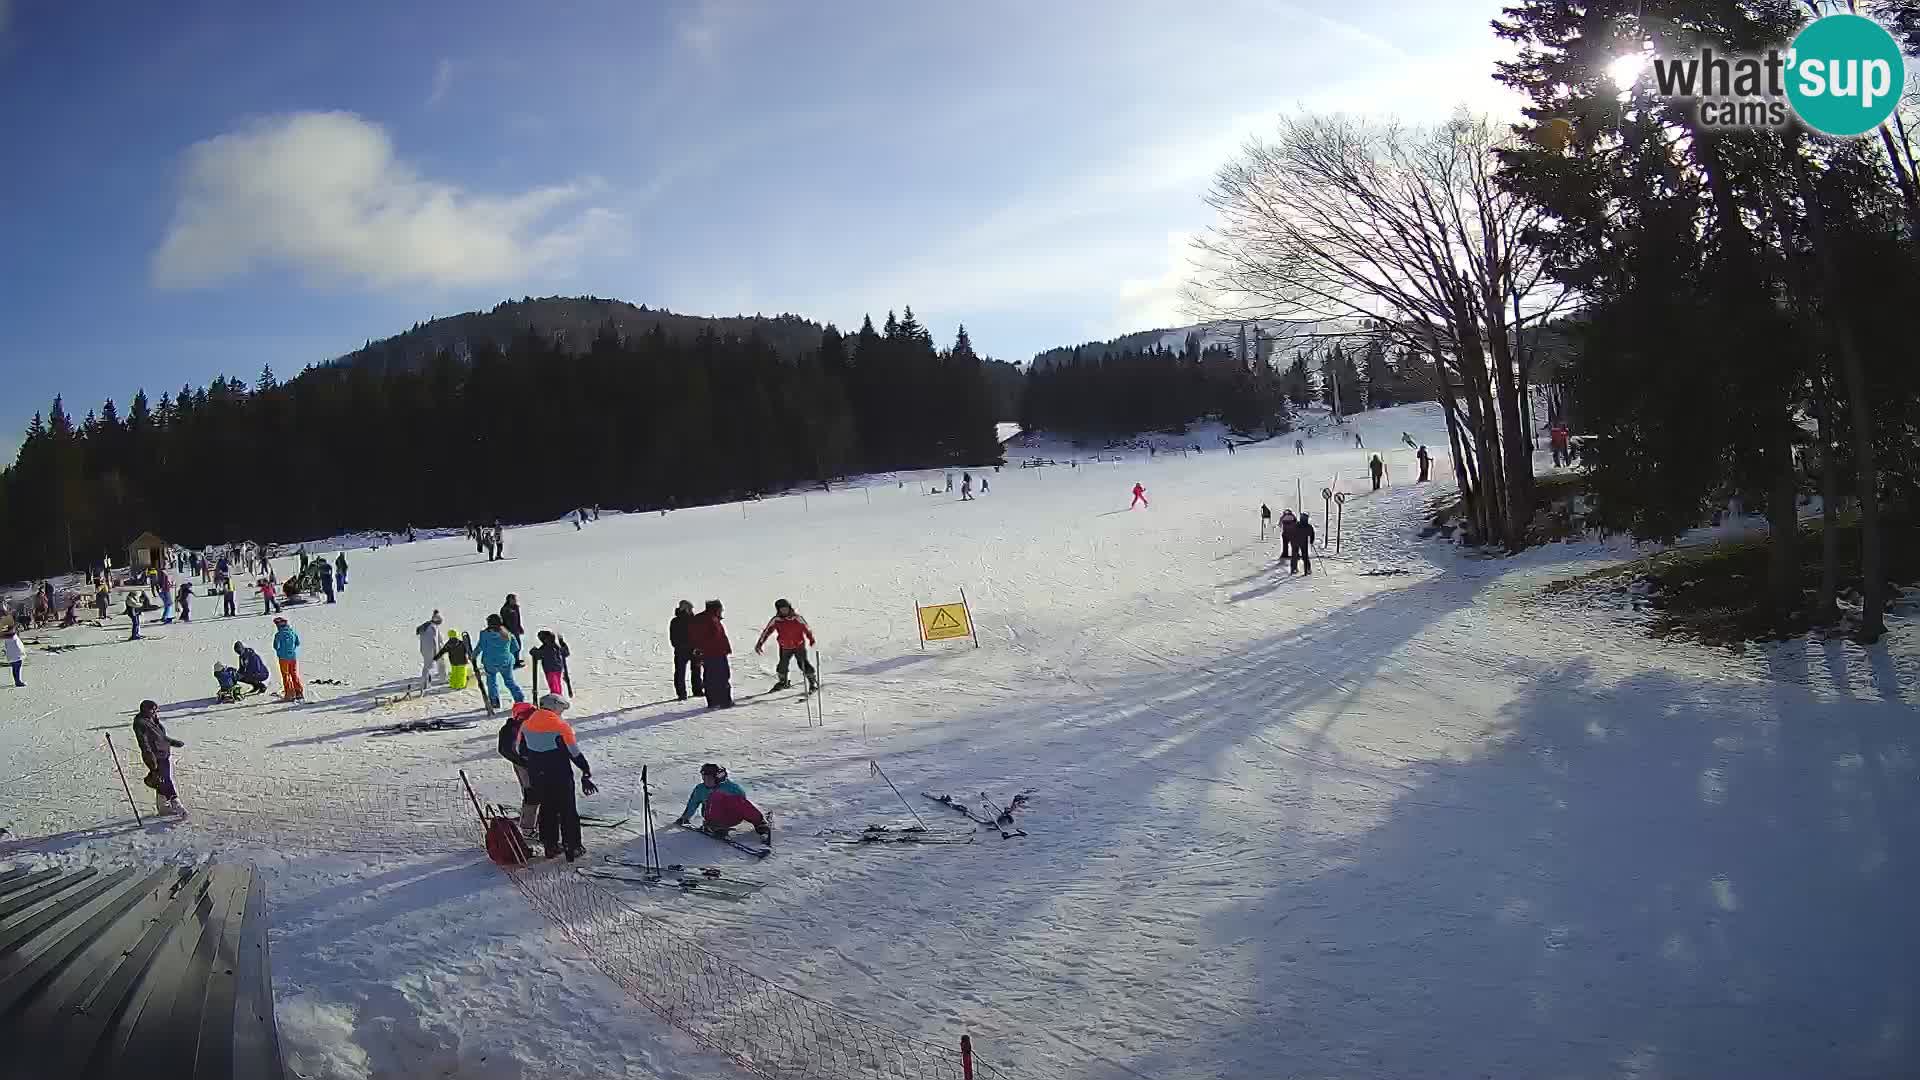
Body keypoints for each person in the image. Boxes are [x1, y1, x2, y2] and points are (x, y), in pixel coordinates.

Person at [515, 695, 597, 860]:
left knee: (547, 808)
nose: (561, 713)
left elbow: (520, 750)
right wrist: (585, 770)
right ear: (555, 707)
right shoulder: (561, 726)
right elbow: (574, 753)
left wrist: (537, 759)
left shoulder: (526, 724)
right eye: (561, 710)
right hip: (559, 774)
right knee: (567, 810)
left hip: (537, 775)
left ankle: (550, 846)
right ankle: (572, 846)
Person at [674, 763, 770, 844]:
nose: (705, 781)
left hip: (733, 817)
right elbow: (693, 803)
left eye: (709, 778)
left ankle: (760, 823)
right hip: (713, 817)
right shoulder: (700, 789)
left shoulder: (732, 788)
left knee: (735, 799)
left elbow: (744, 806)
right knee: (715, 796)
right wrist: (685, 818)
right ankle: (714, 827)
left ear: (718, 778)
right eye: (704, 777)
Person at [132, 700, 186, 816]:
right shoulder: (141, 724)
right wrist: (151, 761)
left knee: (161, 780)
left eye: (156, 709)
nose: (156, 712)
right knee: (165, 779)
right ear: (145, 710)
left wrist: (172, 742)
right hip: (155, 756)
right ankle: (175, 801)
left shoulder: (153, 720)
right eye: (153, 709)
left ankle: (163, 807)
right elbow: (144, 744)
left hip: (164, 753)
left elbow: (161, 737)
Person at [754, 599, 818, 692]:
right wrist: (760, 644)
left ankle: (812, 683)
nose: (784, 611)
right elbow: (767, 631)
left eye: (786, 608)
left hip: (798, 646)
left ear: (789, 608)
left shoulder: (797, 618)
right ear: (778, 610)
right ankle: (783, 682)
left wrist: (811, 639)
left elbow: (807, 629)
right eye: (782, 609)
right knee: (782, 666)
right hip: (785, 647)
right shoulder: (776, 620)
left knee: (803, 664)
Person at [497, 701, 540, 837]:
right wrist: (524, 762)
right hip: (524, 767)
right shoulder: (511, 729)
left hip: (534, 765)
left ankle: (538, 820)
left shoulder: (528, 725)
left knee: (541, 793)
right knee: (531, 795)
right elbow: (506, 750)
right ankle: (527, 828)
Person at [688, 599, 734, 708]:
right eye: (720, 609)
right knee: (721, 676)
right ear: (716, 609)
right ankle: (724, 701)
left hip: (710, 653)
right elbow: (713, 638)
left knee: (710, 677)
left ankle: (713, 701)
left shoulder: (705, 618)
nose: (722, 610)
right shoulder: (711, 620)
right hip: (716, 653)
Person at [474, 615, 525, 710]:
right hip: (506, 661)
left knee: (491, 681)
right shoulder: (507, 633)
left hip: (490, 662)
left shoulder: (484, 634)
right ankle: (519, 699)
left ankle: (494, 701)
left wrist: (473, 656)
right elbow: (516, 648)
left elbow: (480, 647)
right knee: (509, 681)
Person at [670, 600, 703, 701]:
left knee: (696, 671)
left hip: (693, 650)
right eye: (690, 608)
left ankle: (697, 691)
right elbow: (673, 638)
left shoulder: (694, 620)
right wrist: (681, 646)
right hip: (682, 651)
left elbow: (699, 635)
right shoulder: (676, 621)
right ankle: (682, 694)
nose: (692, 610)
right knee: (680, 672)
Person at [272, 616, 304, 702]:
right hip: (292, 657)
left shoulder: (278, 635)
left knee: (286, 675)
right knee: (294, 674)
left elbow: (275, 646)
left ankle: (289, 693)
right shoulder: (292, 632)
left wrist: (280, 650)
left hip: (283, 658)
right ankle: (299, 692)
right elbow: (297, 643)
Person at [530, 630, 570, 697]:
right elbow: (566, 652)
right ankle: (558, 696)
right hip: (558, 669)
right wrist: (563, 643)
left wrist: (533, 651)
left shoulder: (546, 648)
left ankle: (556, 698)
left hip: (550, 670)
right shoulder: (555, 646)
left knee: (553, 685)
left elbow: (538, 655)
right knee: (557, 684)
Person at [416, 611, 446, 689]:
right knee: (429, 666)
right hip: (432, 650)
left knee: (430, 665)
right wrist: (437, 652)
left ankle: (441, 678)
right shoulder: (432, 628)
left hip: (425, 649)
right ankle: (425, 684)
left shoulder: (426, 626)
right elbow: (434, 641)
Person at [500, 594, 524, 660]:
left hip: (515, 630)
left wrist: (520, 627)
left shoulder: (516, 607)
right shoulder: (504, 609)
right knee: (512, 647)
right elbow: (503, 621)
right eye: (513, 599)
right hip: (509, 631)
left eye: (515, 599)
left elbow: (518, 618)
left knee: (518, 646)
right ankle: (513, 661)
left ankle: (517, 659)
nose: (515, 600)